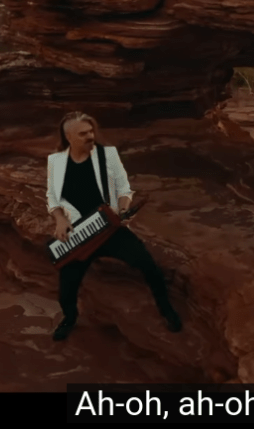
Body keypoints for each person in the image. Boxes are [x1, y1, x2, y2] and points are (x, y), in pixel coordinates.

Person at [46, 111, 182, 341]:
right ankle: (69, 318)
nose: (90, 136)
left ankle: (166, 310)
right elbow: (52, 198)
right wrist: (59, 219)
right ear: (69, 136)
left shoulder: (107, 155)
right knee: (67, 286)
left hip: (110, 229)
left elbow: (124, 189)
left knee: (149, 266)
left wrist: (122, 209)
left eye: (91, 131)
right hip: (78, 233)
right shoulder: (56, 161)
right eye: (83, 133)